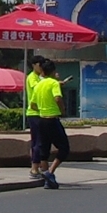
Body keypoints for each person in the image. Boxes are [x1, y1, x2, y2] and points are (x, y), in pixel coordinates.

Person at [27, 58, 69, 189]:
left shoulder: (39, 84)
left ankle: (46, 177)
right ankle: (50, 172)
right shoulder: (53, 83)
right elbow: (57, 98)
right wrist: (62, 110)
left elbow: (33, 104)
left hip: (41, 119)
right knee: (64, 148)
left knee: (44, 149)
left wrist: (42, 109)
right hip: (52, 119)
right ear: (53, 71)